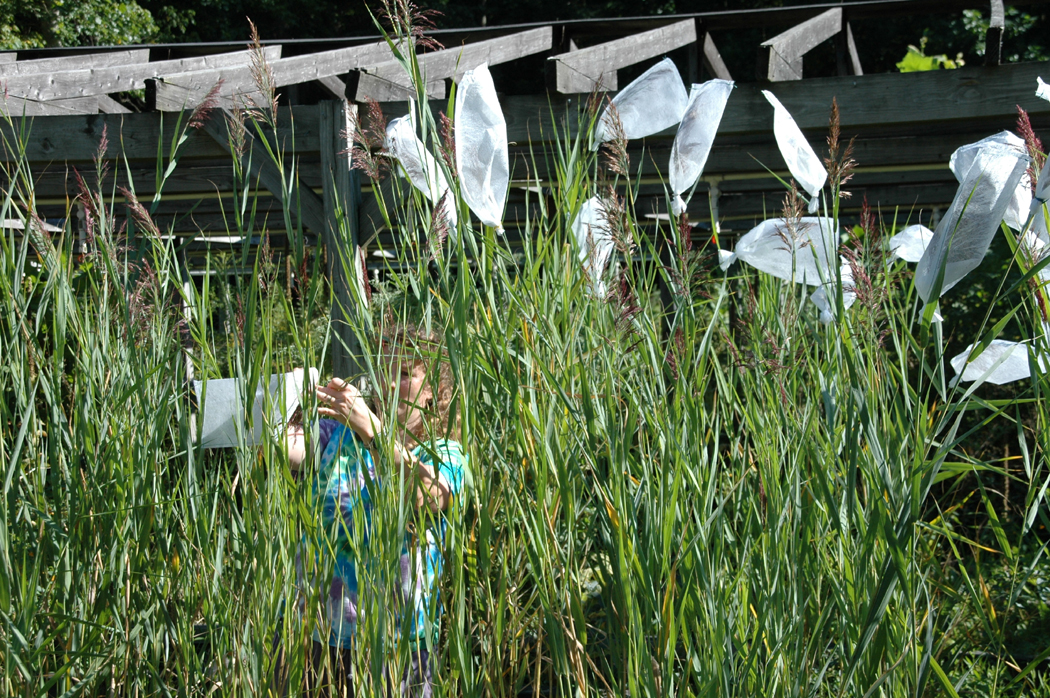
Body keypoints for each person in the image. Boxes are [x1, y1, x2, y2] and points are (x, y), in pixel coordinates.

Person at [279, 328, 468, 697]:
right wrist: (286, 393)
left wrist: (372, 429)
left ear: (432, 393)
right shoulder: (338, 436)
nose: (390, 383)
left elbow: (424, 495)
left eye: (404, 373)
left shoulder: (445, 455)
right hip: (317, 633)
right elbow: (282, 445)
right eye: (385, 370)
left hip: (396, 646)